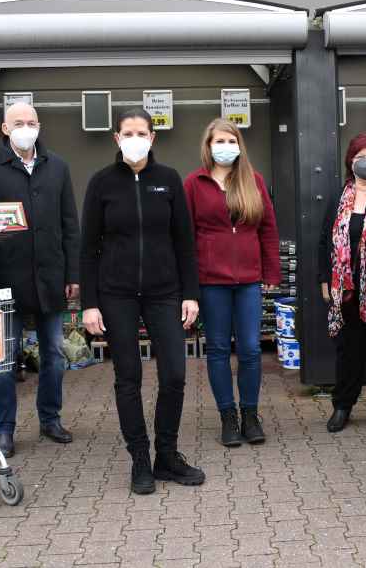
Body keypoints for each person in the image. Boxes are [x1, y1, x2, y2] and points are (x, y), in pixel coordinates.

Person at [80, 108, 204, 495]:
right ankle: (139, 458)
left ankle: (167, 454)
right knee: (128, 376)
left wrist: (191, 294)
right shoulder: (101, 184)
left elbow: (185, 242)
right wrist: (90, 303)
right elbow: (87, 249)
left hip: (164, 291)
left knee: (174, 374)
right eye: (127, 132)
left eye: (142, 132)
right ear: (117, 139)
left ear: (153, 138)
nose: (135, 138)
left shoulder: (168, 181)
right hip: (115, 294)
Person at [0, 102, 79, 458]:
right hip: (5, 278)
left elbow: (69, 225)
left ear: (39, 125)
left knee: (54, 353)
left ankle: (50, 418)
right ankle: (5, 428)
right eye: (18, 122)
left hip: (50, 274)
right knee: (4, 359)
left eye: (31, 122)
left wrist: (72, 274)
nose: (26, 127)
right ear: (4, 128)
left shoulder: (58, 167)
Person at [183, 119, 281, 448]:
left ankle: (250, 414)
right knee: (219, 350)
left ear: (239, 144)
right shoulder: (194, 184)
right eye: (219, 140)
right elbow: (185, 236)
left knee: (252, 349)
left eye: (231, 139)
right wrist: (189, 286)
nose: (225, 146)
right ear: (208, 146)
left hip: (249, 281)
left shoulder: (253, 180)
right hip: (211, 282)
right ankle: (228, 416)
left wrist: (271, 272)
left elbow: (267, 229)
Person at [318, 132, 366, 433]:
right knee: (349, 349)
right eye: (360, 157)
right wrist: (324, 280)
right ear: (351, 162)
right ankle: (343, 405)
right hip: (348, 288)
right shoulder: (340, 198)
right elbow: (324, 240)